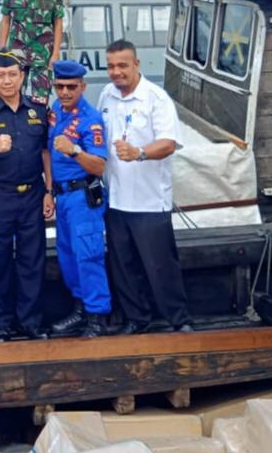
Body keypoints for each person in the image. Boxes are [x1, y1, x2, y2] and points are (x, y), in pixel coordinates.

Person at [97, 39, 193, 334]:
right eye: (111, 66)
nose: (116, 72)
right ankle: (136, 320)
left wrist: (138, 153)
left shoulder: (156, 98)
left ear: (137, 64)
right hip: (115, 198)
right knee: (123, 267)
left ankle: (179, 320)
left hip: (149, 201)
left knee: (159, 266)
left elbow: (168, 143)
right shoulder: (106, 95)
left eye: (122, 65)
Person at [0, 49, 55, 341]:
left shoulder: (39, 110)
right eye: (1, 76)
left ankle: (30, 322)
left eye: (13, 75)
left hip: (32, 194)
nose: (7, 81)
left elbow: (45, 153)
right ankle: (1, 324)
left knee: (33, 259)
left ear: (23, 77)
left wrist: (49, 191)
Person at [48, 60, 112, 338]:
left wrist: (74, 150)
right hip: (62, 197)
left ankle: (97, 317)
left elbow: (99, 166)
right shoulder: (54, 112)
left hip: (82, 197)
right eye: (59, 86)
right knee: (68, 257)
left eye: (71, 87)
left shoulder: (91, 119)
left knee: (89, 256)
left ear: (82, 87)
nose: (64, 92)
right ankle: (80, 310)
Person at [0, 0, 64, 105]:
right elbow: (6, 19)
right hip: (17, 51)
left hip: (43, 52)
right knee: (13, 93)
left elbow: (58, 23)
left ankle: (39, 128)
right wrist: (2, 49)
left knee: (41, 98)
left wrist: (55, 53)